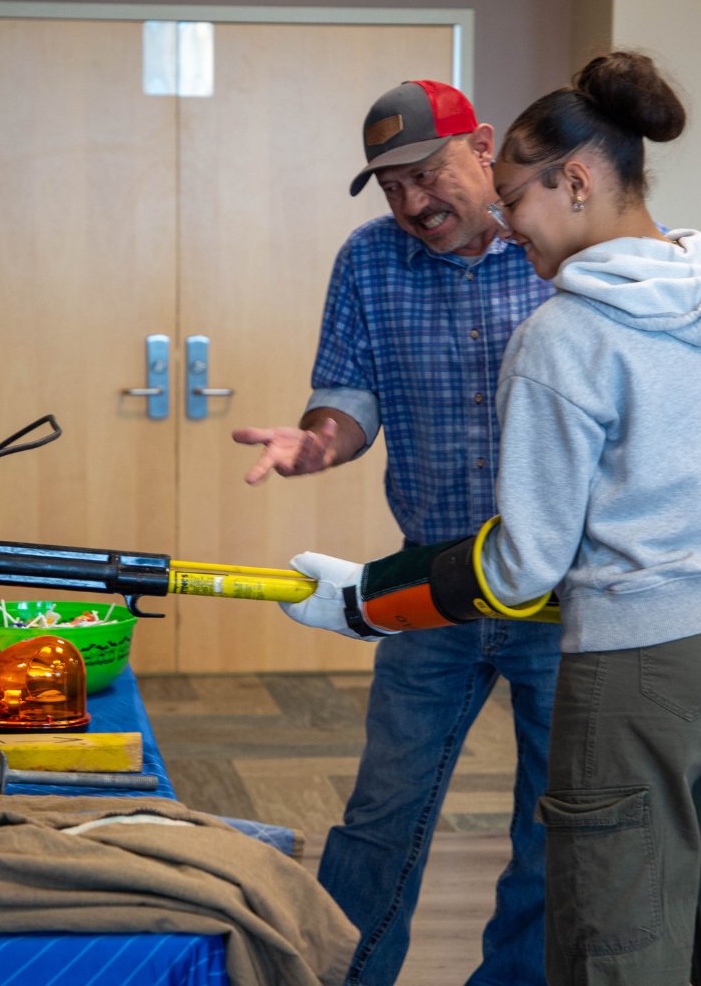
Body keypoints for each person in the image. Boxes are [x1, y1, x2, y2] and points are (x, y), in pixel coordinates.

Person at [280, 51, 701, 985]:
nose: (505, 222)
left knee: (611, 921)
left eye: (509, 197)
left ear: (568, 178)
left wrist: (362, 599)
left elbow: (524, 566)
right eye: (392, 186)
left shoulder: (563, 332)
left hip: (619, 641)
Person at [232, 80, 560, 985]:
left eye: (427, 173)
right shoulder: (370, 260)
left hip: (565, 593)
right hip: (432, 585)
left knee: (549, 825)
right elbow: (348, 395)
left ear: (483, 146)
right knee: (382, 813)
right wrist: (318, 441)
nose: (414, 203)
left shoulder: (559, 250)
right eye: (390, 187)